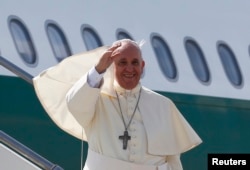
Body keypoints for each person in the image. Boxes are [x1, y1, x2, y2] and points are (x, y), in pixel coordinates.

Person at [33, 39, 202, 170]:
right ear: (112, 65)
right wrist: (98, 69)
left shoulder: (163, 106)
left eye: (135, 62)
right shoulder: (96, 99)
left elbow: (173, 161)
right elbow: (75, 104)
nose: (129, 69)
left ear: (142, 66)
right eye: (122, 63)